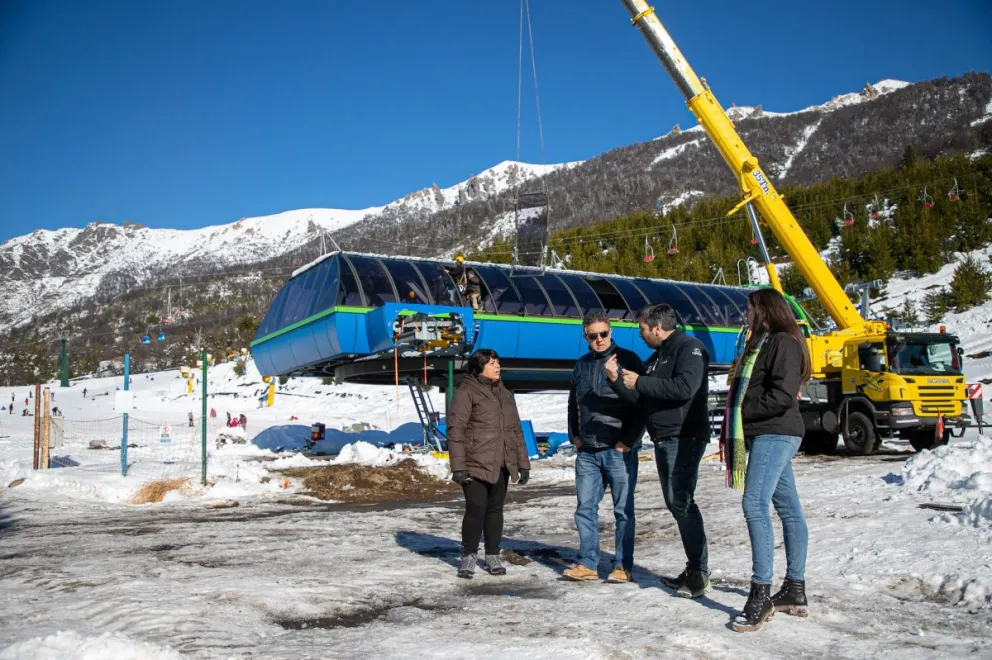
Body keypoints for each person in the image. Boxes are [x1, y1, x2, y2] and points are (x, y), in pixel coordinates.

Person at [725, 288, 811, 633]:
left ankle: (760, 594)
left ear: (764, 311)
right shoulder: (762, 344)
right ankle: (794, 589)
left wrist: (741, 412)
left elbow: (781, 395)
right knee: (788, 508)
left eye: (749, 310)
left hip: (776, 431)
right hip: (765, 432)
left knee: (754, 503)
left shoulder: (783, 343)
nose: (745, 316)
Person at [621, 303, 711, 599]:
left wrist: (642, 381)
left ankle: (699, 572)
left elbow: (685, 387)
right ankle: (694, 567)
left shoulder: (689, 348)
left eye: (643, 329)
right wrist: (619, 382)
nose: (641, 335)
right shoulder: (659, 356)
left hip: (684, 436)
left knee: (681, 502)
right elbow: (645, 397)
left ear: (657, 328)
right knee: (677, 503)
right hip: (665, 438)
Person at [563, 311, 645, 583]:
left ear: (610, 332)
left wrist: (629, 440)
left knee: (623, 510)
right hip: (588, 451)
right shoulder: (582, 364)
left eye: (603, 334)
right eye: (592, 335)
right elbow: (574, 401)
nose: (599, 340)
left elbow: (642, 404)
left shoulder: (629, 359)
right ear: (585, 336)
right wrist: (574, 434)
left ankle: (622, 565)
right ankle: (587, 563)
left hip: (618, 449)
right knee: (585, 508)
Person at [447, 349, 531, 579]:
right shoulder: (467, 391)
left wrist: (523, 464)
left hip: (501, 463)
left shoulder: (505, 393)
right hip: (474, 463)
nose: (497, 366)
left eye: (498, 362)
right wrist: (458, 467)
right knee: (476, 510)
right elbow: (456, 431)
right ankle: (468, 557)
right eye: (491, 363)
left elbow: (515, 431)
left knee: (495, 510)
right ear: (478, 367)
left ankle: (493, 555)